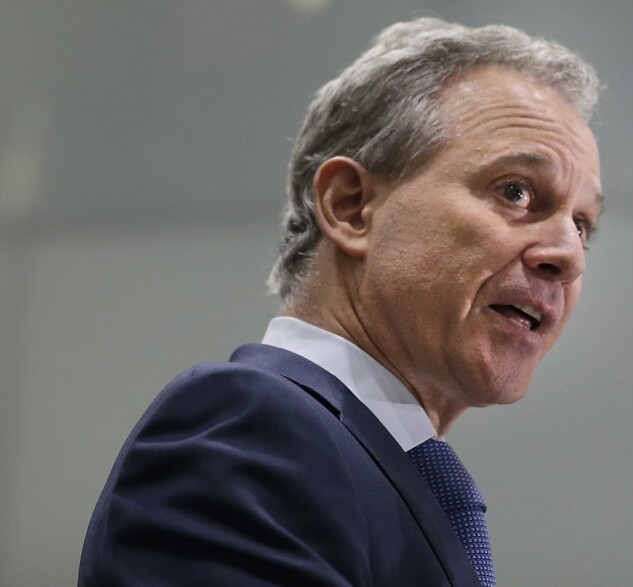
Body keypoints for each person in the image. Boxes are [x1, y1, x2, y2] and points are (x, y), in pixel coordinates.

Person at [78, 17, 603, 587]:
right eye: (516, 191)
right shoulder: (251, 428)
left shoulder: (384, 467)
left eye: (581, 225)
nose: (568, 255)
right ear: (351, 207)